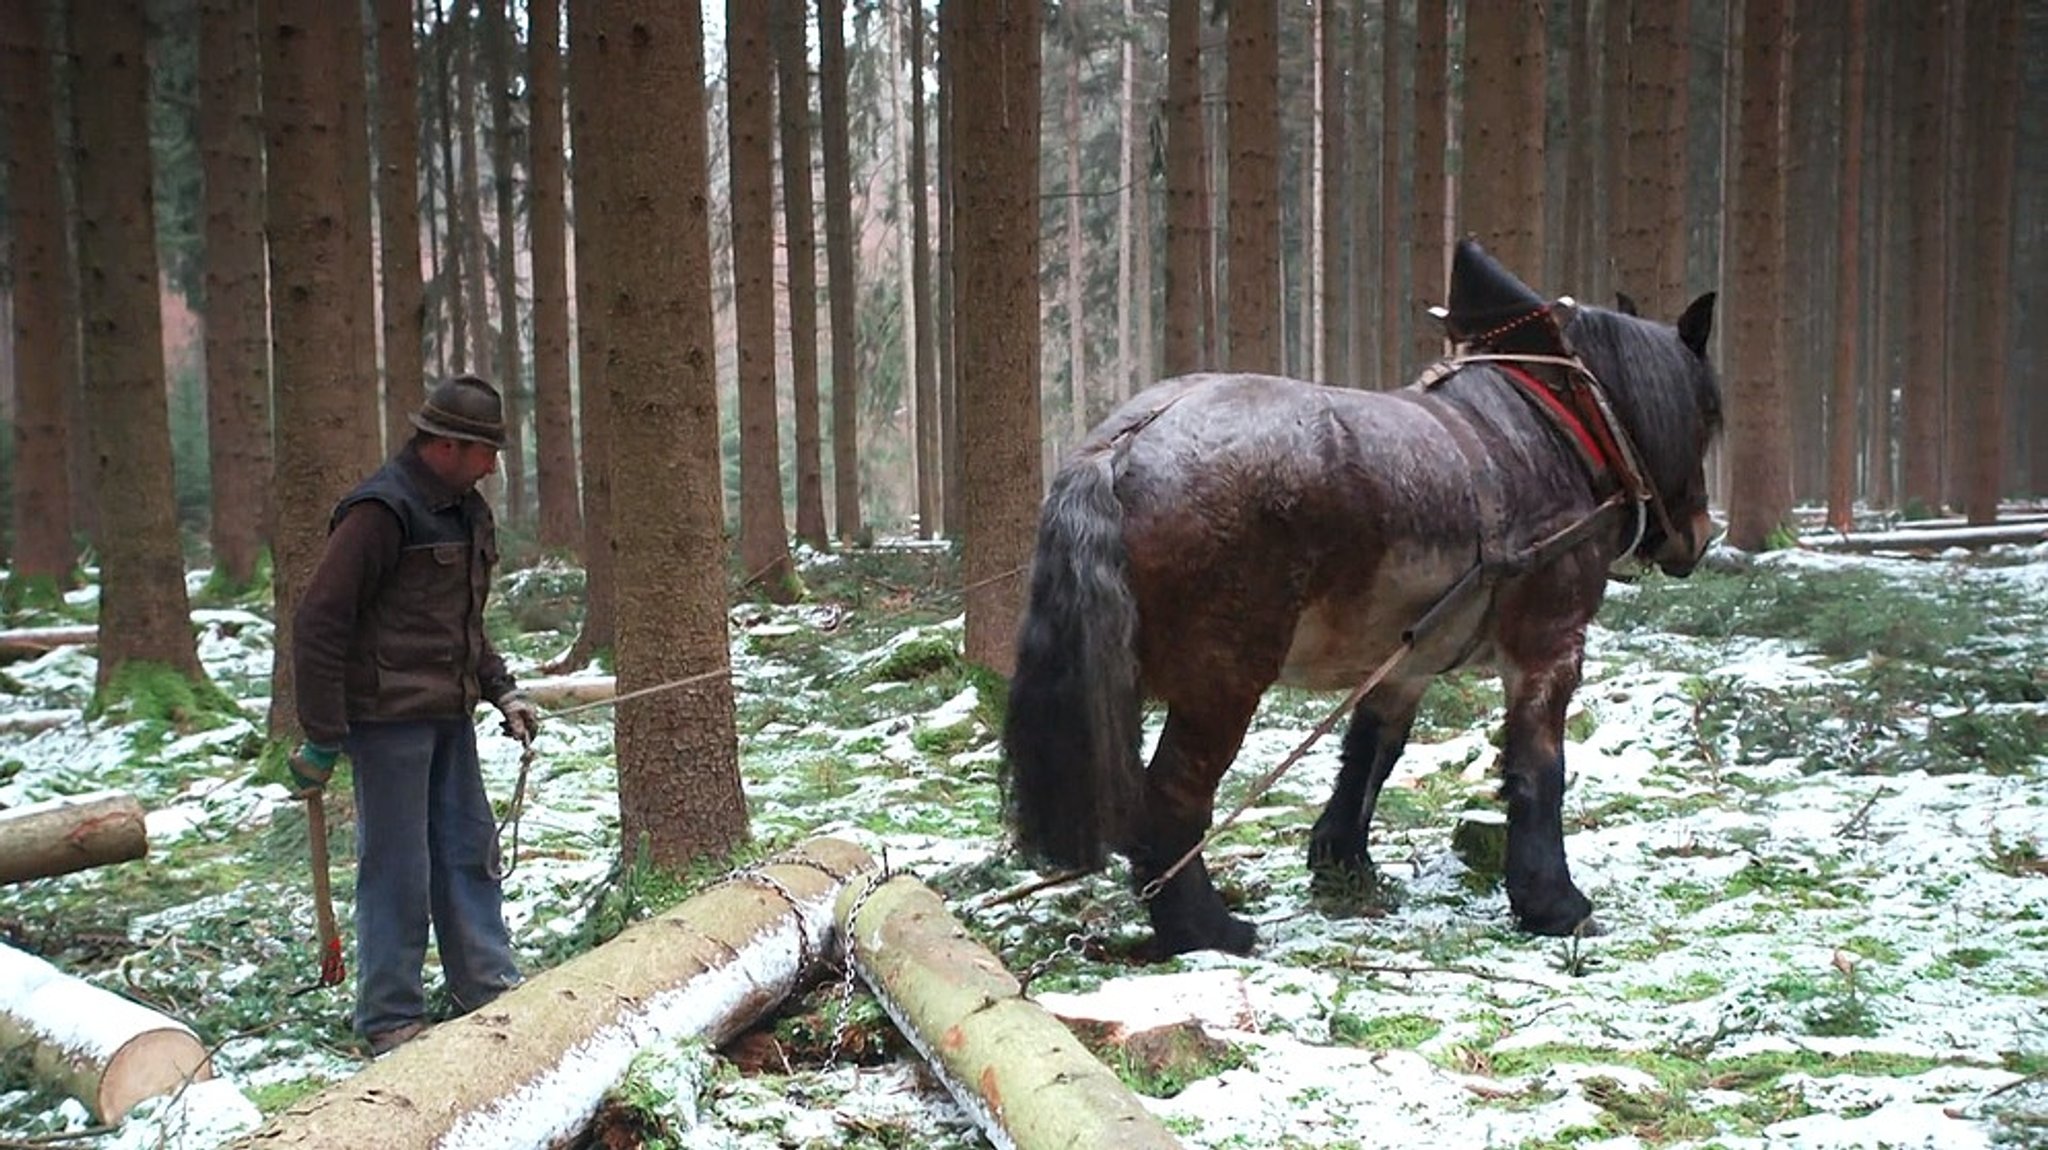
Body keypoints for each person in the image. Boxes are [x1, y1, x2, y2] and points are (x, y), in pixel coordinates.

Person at [288, 375, 539, 1056]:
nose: (494, 464)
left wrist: (504, 691)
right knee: (397, 869)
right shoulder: (379, 512)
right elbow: (319, 622)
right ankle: (390, 1017)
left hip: (449, 717)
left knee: (469, 852)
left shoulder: (467, 511)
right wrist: (321, 734)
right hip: (385, 720)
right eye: (486, 451)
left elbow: (463, 624)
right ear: (448, 446)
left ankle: (483, 986)